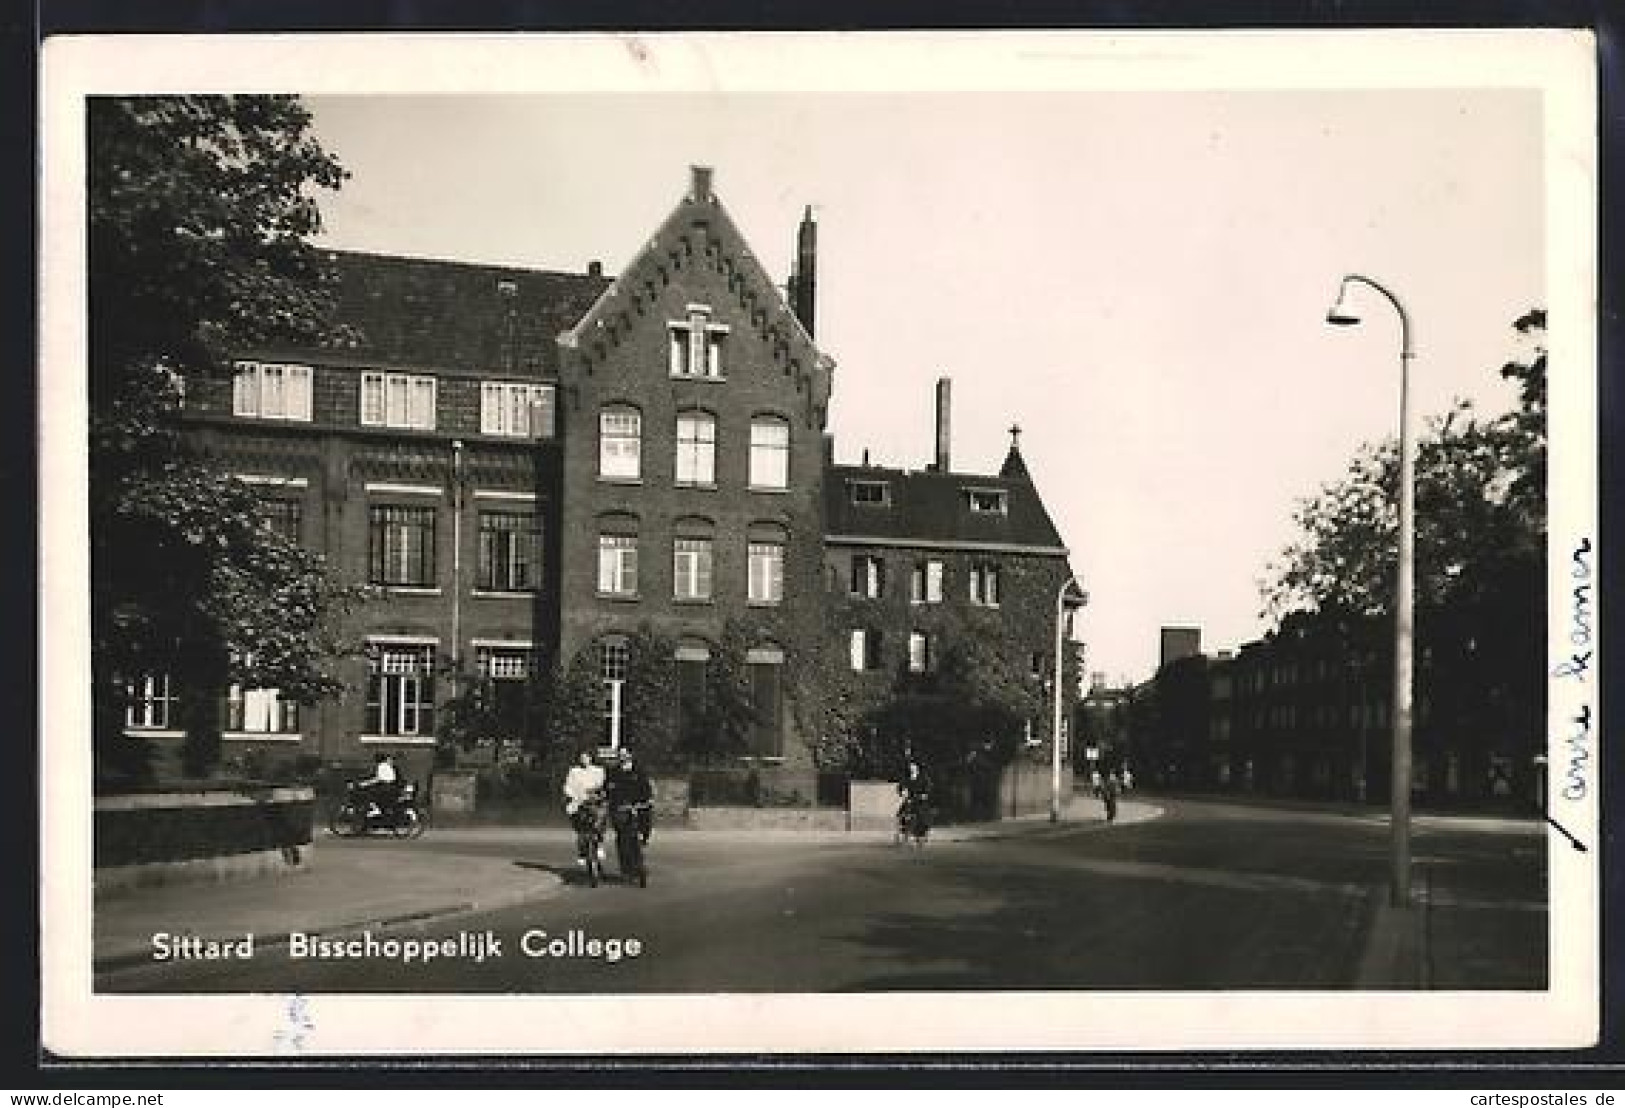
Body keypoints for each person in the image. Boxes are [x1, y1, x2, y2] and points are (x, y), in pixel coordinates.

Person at [562, 749, 607, 866]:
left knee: (600, 821)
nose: (584, 760)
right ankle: (582, 852)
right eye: (581, 758)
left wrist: (597, 793)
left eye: (586, 757)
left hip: (595, 802)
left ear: (590, 758)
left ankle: (600, 845)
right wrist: (572, 795)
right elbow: (568, 787)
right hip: (579, 802)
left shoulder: (598, 771)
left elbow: (603, 785)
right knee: (580, 829)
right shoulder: (574, 771)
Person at [606, 749, 654, 846]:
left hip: (637, 802)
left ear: (630, 755)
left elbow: (645, 786)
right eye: (620, 754)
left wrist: (647, 799)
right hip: (620, 804)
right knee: (621, 827)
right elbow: (609, 787)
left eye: (625, 754)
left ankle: (643, 836)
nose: (622, 756)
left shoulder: (639, 769)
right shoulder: (614, 771)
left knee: (645, 816)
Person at [896, 758, 931, 844]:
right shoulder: (907, 778)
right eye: (910, 768)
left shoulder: (923, 778)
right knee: (902, 813)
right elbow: (901, 786)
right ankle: (903, 830)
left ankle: (921, 833)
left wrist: (924, 794)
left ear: (917, 768)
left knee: (921, 814)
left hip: (919, 800)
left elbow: (927, 788)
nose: (912, 769)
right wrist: (902, 792)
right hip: (910, 799)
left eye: (913, 767)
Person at [357, 753, 399, 819]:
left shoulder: (382, 766)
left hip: (386, 787)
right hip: (392, 787)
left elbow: (378, 779)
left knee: (367, 794)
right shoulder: (390, 767)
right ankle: (377, 808)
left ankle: (376, 809)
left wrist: (365, 783)